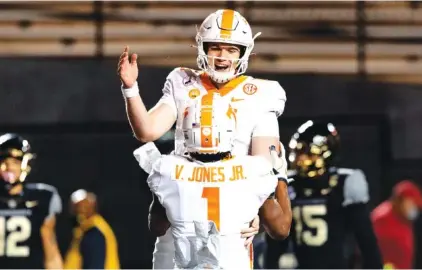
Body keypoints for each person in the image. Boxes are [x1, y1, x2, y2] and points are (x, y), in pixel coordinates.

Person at [118, 8, 291, 269]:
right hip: (183, 205)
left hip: (230, 214)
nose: (222, 56)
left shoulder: (261, 94)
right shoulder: (183, 81)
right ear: (203, 48)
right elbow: (147, 131)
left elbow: (265, 165)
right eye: (216, 47)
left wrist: (254, 209)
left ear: (243, 53)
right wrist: (131, 89)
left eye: (231, 49)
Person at [143, 92, 285, 268]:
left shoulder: (166, 169)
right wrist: (281, 176)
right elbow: (280, 229)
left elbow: (157, 227)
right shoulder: (255, 169)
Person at [265, 120, 383, 269]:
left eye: (307, 153)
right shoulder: (289, 185)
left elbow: (366, 241)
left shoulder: (343, 183)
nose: (301, 159)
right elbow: (275, 244)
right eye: (299, 152)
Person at [0, 133, 63, 269]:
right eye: (4, 162)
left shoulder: (41, 198)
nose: (9, 168)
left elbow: (51, 252)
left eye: (15, 162)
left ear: (25, 164)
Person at [371, 180, 422, 269]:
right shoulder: (382, 218)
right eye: (412, 204)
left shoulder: (404, 218)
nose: (414, 209)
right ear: (401, 200)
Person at [64, 189, 120, 269]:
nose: (80, 209)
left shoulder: (95, 232)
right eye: (76, 206)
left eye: (83, 205)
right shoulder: (84, 230)